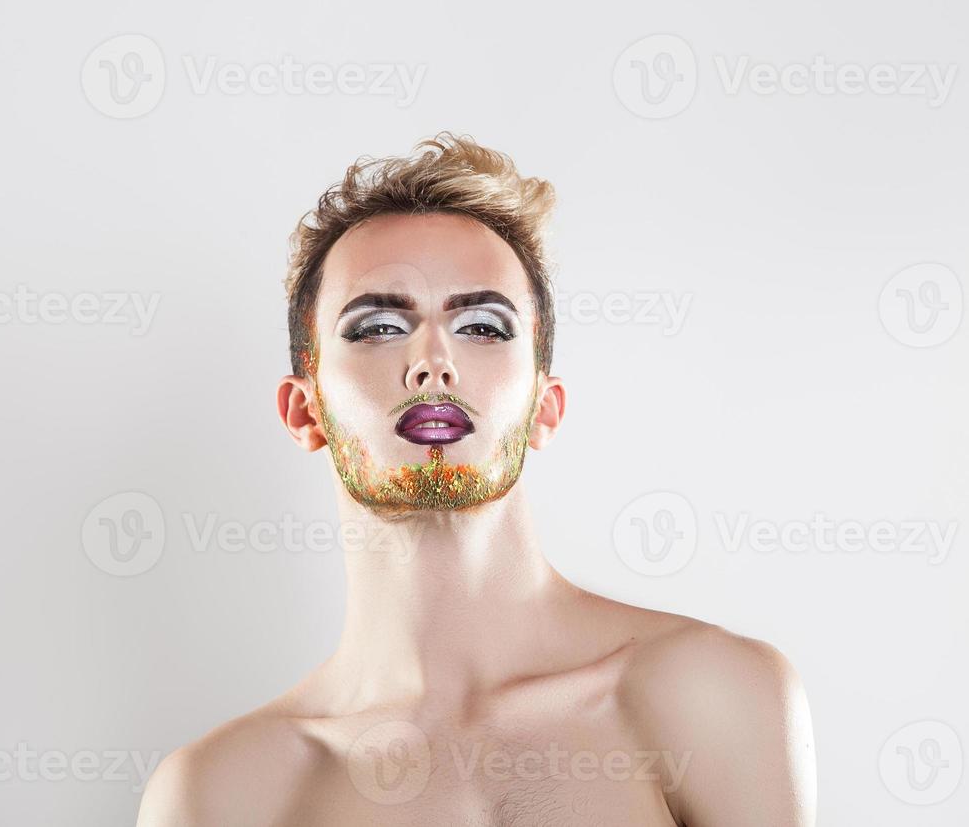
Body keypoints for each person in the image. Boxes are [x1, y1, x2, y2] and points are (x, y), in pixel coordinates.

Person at [137, 132, 817, 826]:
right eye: (376, 326)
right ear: (304, 410)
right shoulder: (221, 792)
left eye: (484, 327)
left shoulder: (706, 696)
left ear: (545, 409)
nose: (433, 362)